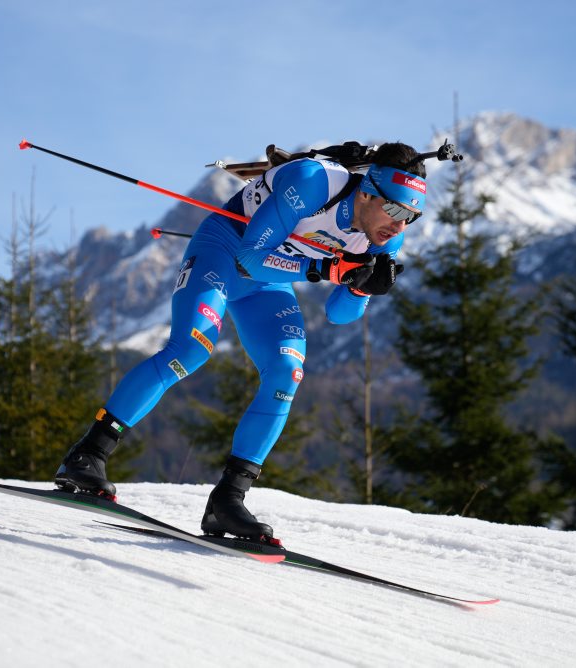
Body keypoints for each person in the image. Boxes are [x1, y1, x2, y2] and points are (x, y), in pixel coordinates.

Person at [54, 141, 427, 540]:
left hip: (268, 282)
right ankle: (88, 454)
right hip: (225, 249)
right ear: (368, 191)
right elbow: (249, 257)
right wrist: (326, 269)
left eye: (412, 216)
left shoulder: (384, 238)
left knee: (288, 371)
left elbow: (338, 315)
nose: (399, 225)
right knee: (191, 349)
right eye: (394, 209)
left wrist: (360, 288)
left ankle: (228, 501)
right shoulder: (314, 182)